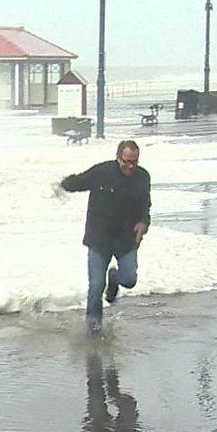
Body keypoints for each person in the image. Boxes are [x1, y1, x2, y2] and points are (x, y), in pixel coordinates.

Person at [60, 140, 151, 331]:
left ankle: (115, 278)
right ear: (118, 158)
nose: (131, 166)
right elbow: (78, 182)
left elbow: (145, 206)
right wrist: (59, 184)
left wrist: (143, 223)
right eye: (127, 161)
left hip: (125, 240)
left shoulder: (142, 177)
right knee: (95, 287)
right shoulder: (102, 172)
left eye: (134, 162)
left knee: (129, 280)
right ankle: (94, 331)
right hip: (99, 239)